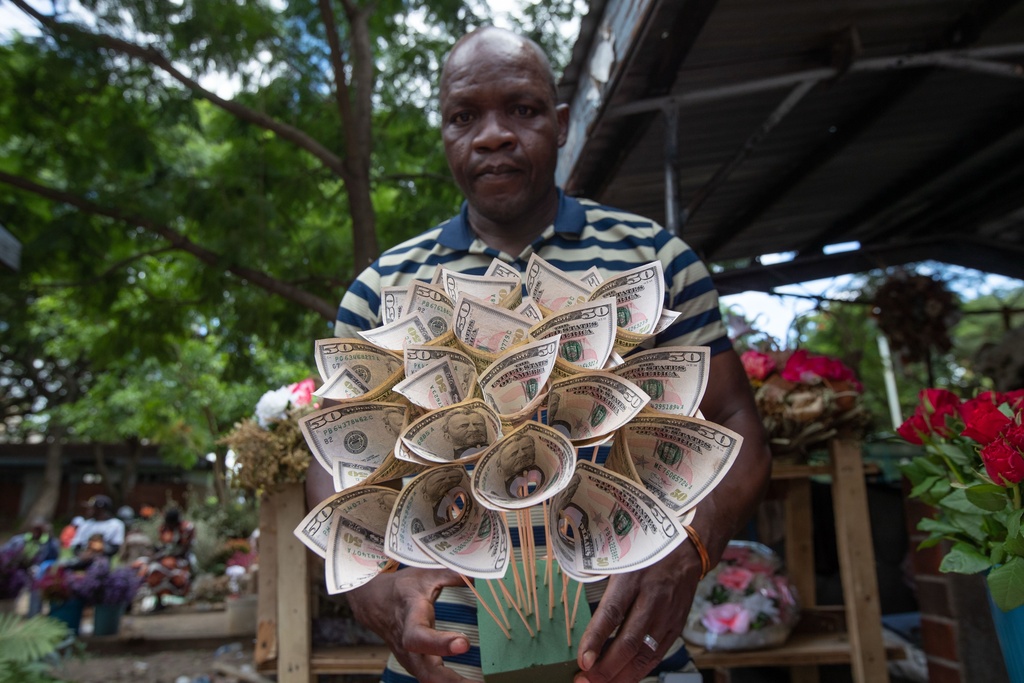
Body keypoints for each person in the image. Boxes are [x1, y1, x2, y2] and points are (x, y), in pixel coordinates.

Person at [307, 26, 771, 683]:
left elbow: (737, 426)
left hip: (628, 653)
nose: (492, 134)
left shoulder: (655, 261)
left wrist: (688, 549)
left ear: (558, 125)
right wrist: (370, 586)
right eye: (464, 116)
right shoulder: (382, 290)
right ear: (443, 132)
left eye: (521, 109)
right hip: (447, 660)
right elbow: (334, 462)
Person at [132, 508, 196, 611]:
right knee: (152, 571)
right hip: (165, 557)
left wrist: (167, 555)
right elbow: (161, 546)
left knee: (178, 571)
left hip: (183, 557)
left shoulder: (186, 528)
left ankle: (188, 591)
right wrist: (156, 555)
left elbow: (184, 548)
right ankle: (159, 599)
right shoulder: (164, 528)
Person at [2, 517, 60, 616]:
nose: (37, 531)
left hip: (35, 570)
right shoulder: (19, 540)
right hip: (15, 569)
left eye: (40, 529)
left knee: (36, 583)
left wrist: (50, 536)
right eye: (35, 528)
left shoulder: (49, 543)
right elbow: (4, 552)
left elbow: (55, 557)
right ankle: (7, 612)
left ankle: (34, 615)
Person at [69, 495, 126, 568]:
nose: (89, 510)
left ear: (100, 509)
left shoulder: (116, 524)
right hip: (83, 557)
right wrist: (81, 555)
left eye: (92, 508)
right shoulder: (85, 524)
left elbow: (115, 548)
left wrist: (95, 554)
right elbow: (76, 545)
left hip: (101, 559)